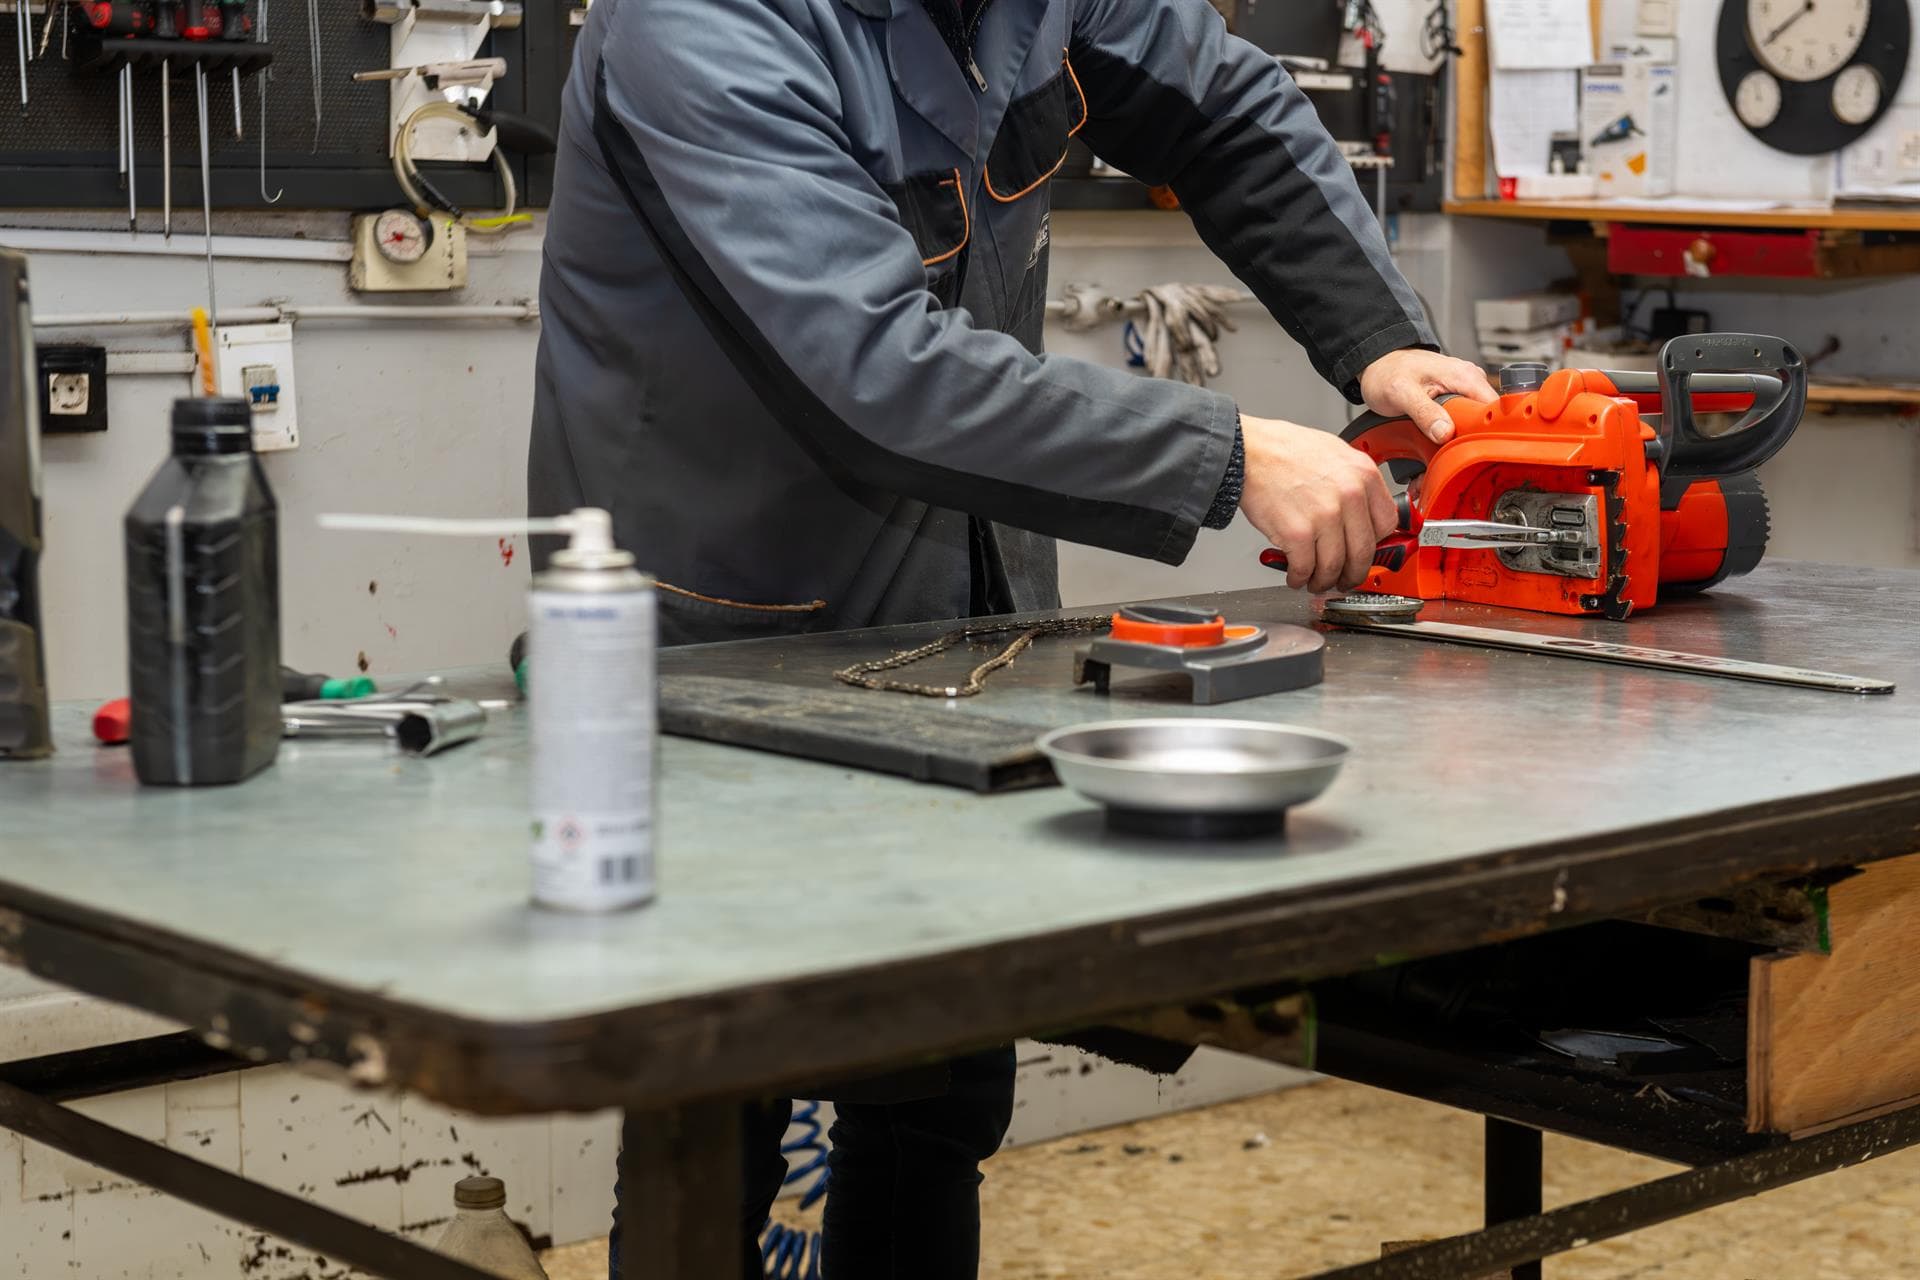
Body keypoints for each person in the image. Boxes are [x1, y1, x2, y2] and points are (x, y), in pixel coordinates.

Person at [529, 0, 1496, 1275]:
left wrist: (1385, 343)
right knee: (715, 1086)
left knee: (936, 1086)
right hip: (722, 623)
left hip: (957, 603)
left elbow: (1229, 115)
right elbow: (871, 364)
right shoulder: (696, 25)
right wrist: (1232, 453)